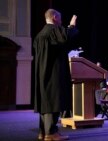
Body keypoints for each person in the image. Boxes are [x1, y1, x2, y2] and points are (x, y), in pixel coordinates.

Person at [33, 9, 79, 140]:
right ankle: (51, 133)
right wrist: (72, 26)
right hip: (53, 73)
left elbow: (57, 46)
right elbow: (66, 36)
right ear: (54, 17)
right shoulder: (53, 30)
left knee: (45, 102)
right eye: (60, 18)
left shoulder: (40, 34)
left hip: (42, 73)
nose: (61, 21)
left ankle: (43, 132)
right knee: (54, 101)